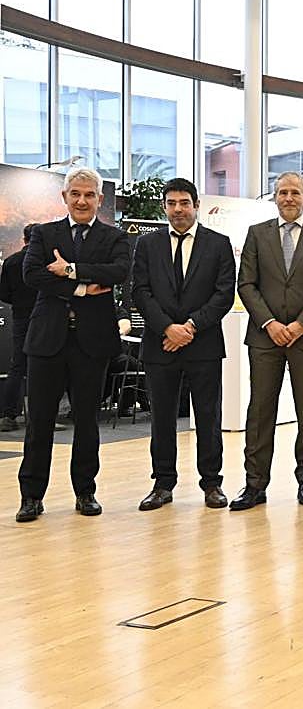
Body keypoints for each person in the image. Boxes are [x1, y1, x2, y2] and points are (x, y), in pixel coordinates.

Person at [15, 167, 131, 523]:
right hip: (48, 340)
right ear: (64, 197)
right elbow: (31, 274)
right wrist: (82, 286)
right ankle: (32, 496)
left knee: (86, 420)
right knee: (39, 420)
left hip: (91, 343)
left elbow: (119, 271)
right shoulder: (43, 233)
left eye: (89, 194)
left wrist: (68, 269)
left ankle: (86, 491)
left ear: (99, 199)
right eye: (75, 194)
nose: (82, 200)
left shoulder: (114, 237)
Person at [230, 171, 303, 511]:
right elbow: (246, 283)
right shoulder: (257, 234)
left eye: (295, 192)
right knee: (260, 411)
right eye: (282, 192)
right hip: (265, 338)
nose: (288, 198)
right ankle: (255, 484)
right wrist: (271, 323)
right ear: (274, 197)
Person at [131, 178, 236, 511]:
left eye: (184, 203)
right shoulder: (147, 245)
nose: (178, 209)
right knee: (162, 418)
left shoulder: (219, 244)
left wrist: (189, 327)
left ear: (196, 205)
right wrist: (167, 328)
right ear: (165, 206)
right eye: (172, 203)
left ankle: (212, 484)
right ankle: (162, 485)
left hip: (203, 344)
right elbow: (140, 291)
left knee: (208, 416)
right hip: (160, 344)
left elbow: (224, 294)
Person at [0, 223, 37, 431]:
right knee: (39, 366)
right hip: (43, 318)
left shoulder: (11, 261)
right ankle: (37, 417)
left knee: (17, 366)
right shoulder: (44, 262)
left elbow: (3, 293)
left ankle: (9, 415)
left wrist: (18, 301)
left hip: (20, 316)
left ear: (24, 239)